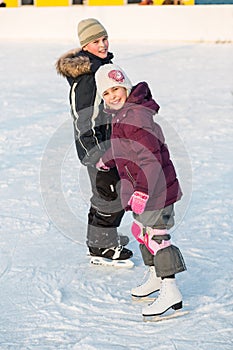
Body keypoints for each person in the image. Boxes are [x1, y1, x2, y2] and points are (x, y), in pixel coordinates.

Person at [95, 63, 186, 317]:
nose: (113, 95)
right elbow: (123, 146)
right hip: (141, 190)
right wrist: (108, 158)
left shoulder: (136, 116)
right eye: (107, 93)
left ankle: (170, 289)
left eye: (117, 89)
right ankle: (156, 275)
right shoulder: (121, 114)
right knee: (141, 232)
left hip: (156, 190)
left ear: (126, 87)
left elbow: (150, 157)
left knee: (157, 236)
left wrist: (144, 190)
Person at [56, 19, 133, 262]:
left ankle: (101, 238)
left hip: (109, 144)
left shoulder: (100, 67)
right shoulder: (88, 75)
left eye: (104, 39)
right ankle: (101, 246)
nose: (102, 44)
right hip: (98, 149)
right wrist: (95, 152)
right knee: (111, 197)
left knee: (106, 194)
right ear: (84, 45)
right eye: (95, 41)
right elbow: (84, 118)